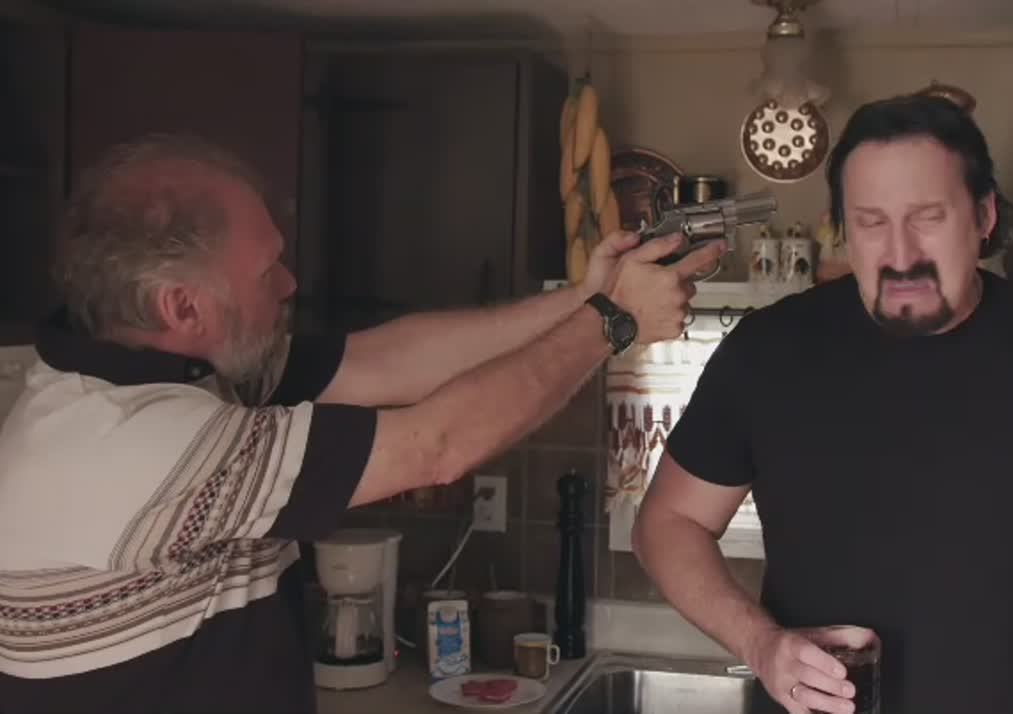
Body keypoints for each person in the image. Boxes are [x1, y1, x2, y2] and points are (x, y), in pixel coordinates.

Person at [0, 133, 722, 713]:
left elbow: (387, 361)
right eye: (267, 272)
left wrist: (585, 298)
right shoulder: (131, 445)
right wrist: (612, 323)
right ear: (182, 308)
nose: (290, 284)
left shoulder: (177, 373)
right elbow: (436, 445)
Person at [632, 95, 1013, 714]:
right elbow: (667, 524)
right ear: (841, 228)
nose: (901, 255)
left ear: (983, 216)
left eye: (928, 217)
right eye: (871, 221)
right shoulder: (766, 354)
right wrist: (758, 643)